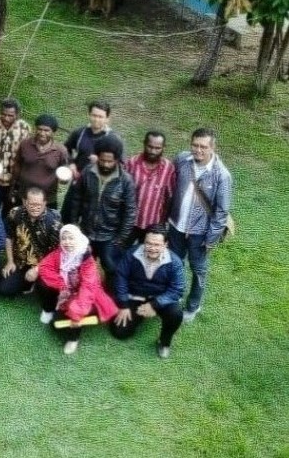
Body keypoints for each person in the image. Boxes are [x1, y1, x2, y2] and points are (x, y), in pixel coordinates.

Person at [168, 127, 233, 322]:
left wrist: (211, 239)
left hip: (200, 234)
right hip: (175, 226)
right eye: (195, 145)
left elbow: (221, 211)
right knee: (173, 265)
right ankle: (173, 298)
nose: (198, 150)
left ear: (213, 147)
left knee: (198, 271)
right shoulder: (181, 159)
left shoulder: (222, 175)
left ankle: (192, 306)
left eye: (203, 147)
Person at [61, 134, 136, 285]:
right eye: (103, 160)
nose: (106, 164)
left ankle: (110, 297)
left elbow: (130, 212)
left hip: (110, 235)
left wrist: (121, 238)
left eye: (110, 161)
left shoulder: (126, 180)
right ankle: (79, 295)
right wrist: (75, 223)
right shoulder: (88, 172)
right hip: (86, 231)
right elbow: (76, 198)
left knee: (111, 267)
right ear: (98, 157)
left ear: (117, 159)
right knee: (81, 265)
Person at [37, 224, 118, 355]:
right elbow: (45, 267)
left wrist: (76, 313)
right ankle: (49, 310)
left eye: (71, 238)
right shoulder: (60, 253)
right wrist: (61, 284)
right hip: (68, 291)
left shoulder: (87, 259)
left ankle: (73, 339)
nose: (67, 242)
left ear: (78, 239)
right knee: (55, 324)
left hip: (87, 297)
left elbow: (88, 289)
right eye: (64, 238)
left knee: (71, 318)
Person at [110, 225, 185, 358]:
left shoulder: (175, 262)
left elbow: (177, 289)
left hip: (160, 298)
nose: (152, 248)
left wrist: (154, 305)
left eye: (157, 244)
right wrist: (124, 304)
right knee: (119, 332)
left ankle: (164, 342)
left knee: (176, 314)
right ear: (143, 242)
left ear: (165, 244)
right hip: (135, 296)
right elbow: (120, 277)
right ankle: (140, 314)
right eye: (148, 243)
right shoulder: (131, 254)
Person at [0, 187, 62, 297]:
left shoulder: (54, 222)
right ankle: (27, 282)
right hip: (21, 262)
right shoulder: (15, 213)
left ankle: (35, 282)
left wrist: (38, 269)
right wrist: (10, 261)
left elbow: (57, 252)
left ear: (45, 203)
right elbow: (9, 237)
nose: (35, 208)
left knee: (46, 289)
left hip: (43, 264)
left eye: (39, 205)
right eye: (32, 204)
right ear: (25, 202)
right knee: (4, 289)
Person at [0, 97, 31, 211]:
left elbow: (26, 153)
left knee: (9, 213)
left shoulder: (25, 128)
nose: (6, 118)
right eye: (4, 114)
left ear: (17, 114)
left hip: (14, 180)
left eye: (10, 115)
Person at [126, 131, 176, 244]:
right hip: (129, 222)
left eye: (157, 148)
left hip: (153, 224)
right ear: (144, 144)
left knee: (147, 256)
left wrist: (162, 222)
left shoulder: (168, 168)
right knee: (122, 253)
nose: (153, 151)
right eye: (150, 147)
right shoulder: (131, 163)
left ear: (164, 148)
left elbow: (169, 197)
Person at [13, 114, 70, 209]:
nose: (42, 133)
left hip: (47, 200)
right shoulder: (25, 144)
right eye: (40, 129)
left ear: (53, 132)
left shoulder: (60, 151)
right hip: (23, 196)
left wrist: (64, 178)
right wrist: (14, 186)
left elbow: (64, 176)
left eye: (46, 130)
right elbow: (17, 163)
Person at [64, 99, 118, 179]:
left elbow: (121, 164)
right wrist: (71, 163)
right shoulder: (80, 133)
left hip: (100, 184)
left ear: (107, 118)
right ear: (89, 115)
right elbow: (65, 149)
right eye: (94, 115)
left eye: (100, 117)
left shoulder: (113, 139)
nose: (96, 120)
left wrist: (100, 161)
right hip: (78, 180)